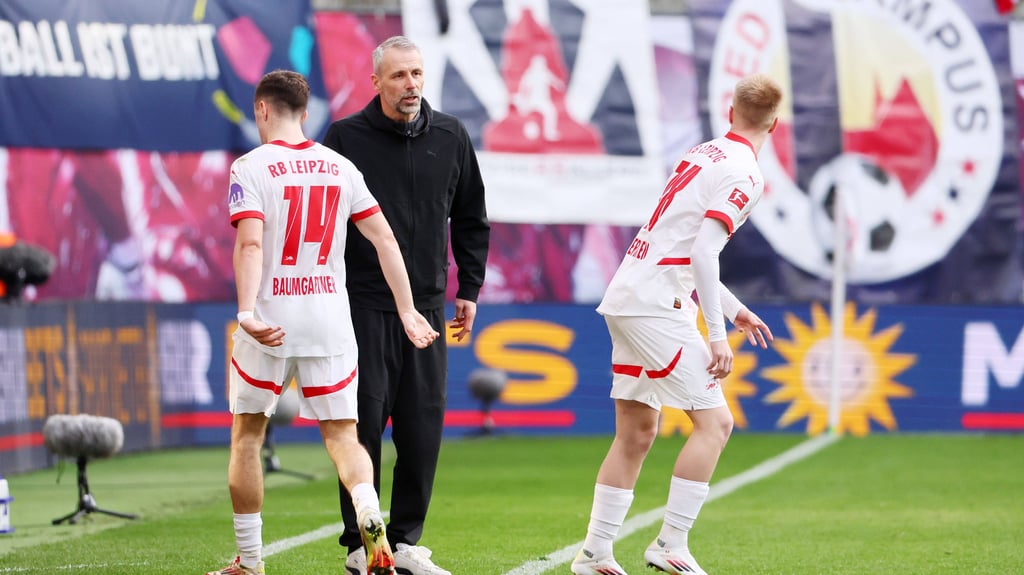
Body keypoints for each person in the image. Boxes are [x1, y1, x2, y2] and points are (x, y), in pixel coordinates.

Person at [207, 69, 440, 575]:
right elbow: (384, 240)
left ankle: (250, 561)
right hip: (330, 319)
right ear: (305, 113)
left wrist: (245, 312)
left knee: (247, 436)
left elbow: (249, 242)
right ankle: (374, 533)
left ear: (262, 110)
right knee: (343, 437)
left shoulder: (251, 166)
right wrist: (406, 309)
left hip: (270, 319)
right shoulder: (340, 167)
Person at [570, 73, 782, 575]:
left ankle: (595, 553)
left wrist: (735, 311)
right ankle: (671, 544)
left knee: (638, 431)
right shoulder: (746, 173)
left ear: (730, 113)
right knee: (716, 423)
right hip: (656, 304)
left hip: (629, 293)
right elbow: (704, 253)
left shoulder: (701, 153)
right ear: (774, 125)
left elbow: (680, 246)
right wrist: (717, 334)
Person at [321, 36, 489, 575]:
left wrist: (470, 289)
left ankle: (408, 541)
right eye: (398, 76)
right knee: (362, 423)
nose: (410, 84)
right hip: (362, 307)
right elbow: (325, 226)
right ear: (376, 82)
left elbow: (470, 218)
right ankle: (359, 543)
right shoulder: (345, 138)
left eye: (416, 73)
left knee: (422, 427)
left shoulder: (452, 136)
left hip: (431, 308)